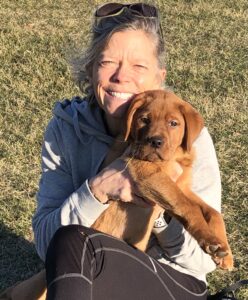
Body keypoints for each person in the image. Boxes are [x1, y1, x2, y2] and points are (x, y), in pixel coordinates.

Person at [32, 3, 222, 299]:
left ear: (160, 76)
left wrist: (160, 209)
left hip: (171, 278)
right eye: (108, 62)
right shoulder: (66, 130)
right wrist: (97, 190)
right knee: (73, 242)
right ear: (91, 69)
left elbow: (203, 262)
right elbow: (47, 245)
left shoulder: (185, 136)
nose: (121, 76)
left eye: (139, 66)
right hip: (91, 261)